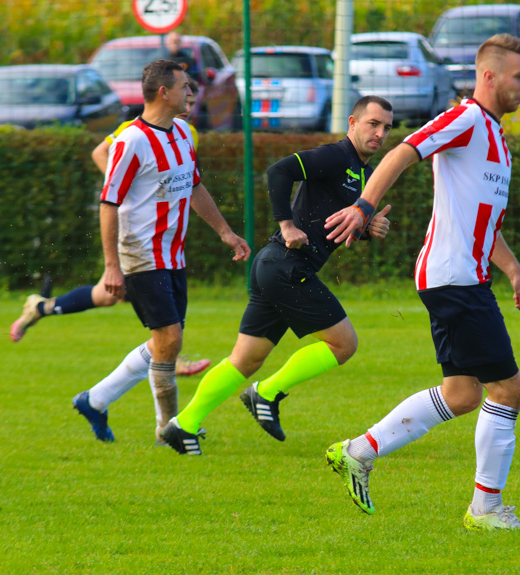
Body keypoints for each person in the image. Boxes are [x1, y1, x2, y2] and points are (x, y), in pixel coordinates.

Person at [323, 34, 520, 531]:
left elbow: (481, 221)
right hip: (454, 278)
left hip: (463, 277)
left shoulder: (496, 139)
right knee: (508, 390)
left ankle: (359, 450)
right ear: (489, 76)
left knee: (462, 394)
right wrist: (363, 205)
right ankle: (485, 510)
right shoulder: (465, 118)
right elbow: (403, 152)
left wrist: (514, 270)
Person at [158, 96, 394, 455]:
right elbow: (278, 171)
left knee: (246, 359)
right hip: (286, 265)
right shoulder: (336, 155)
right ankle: (265, 393)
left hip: (276, 266)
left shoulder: (361, 172)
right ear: (352, 122)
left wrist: (365, 225)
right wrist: (286, 224)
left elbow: (327, 219)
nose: (380, 133)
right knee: (344, 344)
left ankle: (182, 426)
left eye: (387, 128)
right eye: (372, 124)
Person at [72, 60, 250, 443]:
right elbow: (109, 203)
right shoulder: (132, 141)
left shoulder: (184, 132)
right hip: (141, 254)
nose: (192, 92)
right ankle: (170, 428)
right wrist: (112, 267)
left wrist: (226, 232)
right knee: (169, 340)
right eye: (185, 86)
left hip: (173, 255)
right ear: (163, 92)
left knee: (164, 343)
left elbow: (195, 186)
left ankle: (95, 400)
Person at [10, 76, 210, 377]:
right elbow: (100, 153)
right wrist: (127, 189)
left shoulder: (186, 132)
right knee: (145, 306)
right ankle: (170, 356)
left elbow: (187, 183)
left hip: (160, 238)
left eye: (193, 103)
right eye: (186, 98)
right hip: (135, 233)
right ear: (167, 94)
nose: (188, 108)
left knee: (108, 295)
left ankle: (40, 308)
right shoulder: (136, 132)